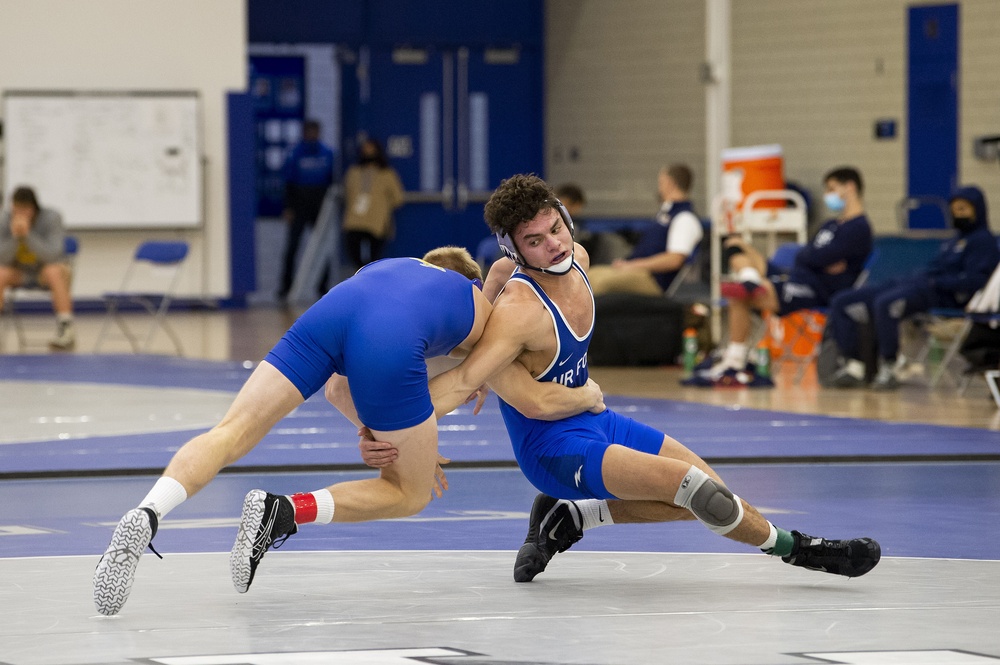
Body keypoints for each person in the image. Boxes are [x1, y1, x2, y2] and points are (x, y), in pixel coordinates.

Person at [361, 174, 881, 584]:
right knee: (702, 496)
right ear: (516, 250)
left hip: (597, 422)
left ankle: (574, 519)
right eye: (535, 243)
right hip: (553, 448)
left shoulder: (574, 260)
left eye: (556, 229)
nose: (554, 247)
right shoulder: (519, 310)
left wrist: (566, 388)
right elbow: (463, 382)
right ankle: (803, 550)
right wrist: (387, 428)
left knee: (709, 491)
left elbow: (495, 277)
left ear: (566, 218)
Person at [92, 246, 600, 615]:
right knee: (410, 492)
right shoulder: (476, 305)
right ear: (465, 279)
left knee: (231, 430)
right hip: (388, 341)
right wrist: (582, 396)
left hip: (332, 312)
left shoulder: (386, 266)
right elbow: (504, 385)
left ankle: (149, 511)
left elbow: (338, 389)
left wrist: (371, 428)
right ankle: (282, 511)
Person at [703, 167, 873, 385]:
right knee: (736, 246)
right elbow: (812, 256)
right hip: (797, 275)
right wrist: (815, 258)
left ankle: (734, 361)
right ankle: (750, 278)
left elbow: (816, 257)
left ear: (850, 187)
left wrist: (813, 257)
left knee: (739, 295)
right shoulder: (830, 225)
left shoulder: (859, 228)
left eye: (832, 189)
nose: (828, 195)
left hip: (816, 289)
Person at [827, 185, 1000, 390]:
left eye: (963, 209)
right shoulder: (954, 240)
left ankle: (890, 366)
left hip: (946, 296)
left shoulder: (984, 242)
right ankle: (854, 365)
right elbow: (934, 268)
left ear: (977, 210)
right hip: (920, 285)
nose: (958, 214)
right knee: (844, 300)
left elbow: (975, 282)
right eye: (955, 210)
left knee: (887, 304)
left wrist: (938, 282)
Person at [587, 164, 703, 296]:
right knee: (589, 275)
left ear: (670, 183)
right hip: (640, 271)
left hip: (653, 280)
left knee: (599, 283)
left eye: (661, 182)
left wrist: (633, 265)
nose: (659, 187)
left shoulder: (684, 218)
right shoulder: (666, 214)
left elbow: (674, 259)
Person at [0, 186, 75, 349]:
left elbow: (53, 256)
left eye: (24, 209)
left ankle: (65, 327)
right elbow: (2, 258)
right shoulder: (5, 219)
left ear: (33, 208)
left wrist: (28, 236)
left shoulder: (51, 218)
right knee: (0, 273)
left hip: (45, 272)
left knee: (54, 270)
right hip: (19, 272)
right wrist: (15, 237)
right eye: (16, 209)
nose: (19, 214)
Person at [278, 119, 336, 301]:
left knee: (322, 247)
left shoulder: (327, 154)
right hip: (299, 203)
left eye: (315, 132)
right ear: (304, 133)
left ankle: (323, 287)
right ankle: (285, 287)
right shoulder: (295, 153)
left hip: (320, 204)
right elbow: (288, 182)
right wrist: (288, 207)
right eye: (308, 132)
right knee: (292, 247)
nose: (312, 135)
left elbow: (333, 180)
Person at [341, 137, 404, 269]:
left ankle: (370, 281)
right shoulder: (354, 172)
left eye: (371, 150)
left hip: (377, 223)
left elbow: (398, 198)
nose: (368, 153)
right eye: (365, 150)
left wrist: (381, 206)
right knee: (355, 256)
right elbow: (347, 193)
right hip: (354, 221)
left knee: (375, 260)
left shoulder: (387, 174)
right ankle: (362, 278)